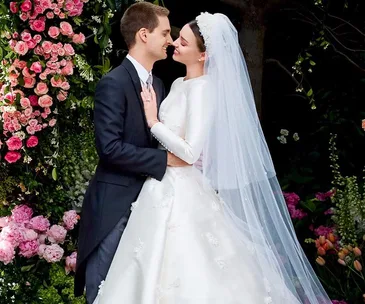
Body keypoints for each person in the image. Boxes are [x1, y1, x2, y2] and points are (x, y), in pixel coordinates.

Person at [92, 12, 332, 304]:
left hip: (181, 187)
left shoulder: (205, 89)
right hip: (159, 186)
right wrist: (163, 147)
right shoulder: (176, 84)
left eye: (182, 41)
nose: (174, 44)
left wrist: (154, 123)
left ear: (203, 54)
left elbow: (190, 152)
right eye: (173, 37)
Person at [74, 3, 187, 303]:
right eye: (165, 33)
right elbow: (109, 148)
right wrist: (165, 160)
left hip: (152, 206)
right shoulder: (113, 83)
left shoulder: (161, 85)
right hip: (115, 206)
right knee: (104, 289)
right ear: (143, 34)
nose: (171, 40)